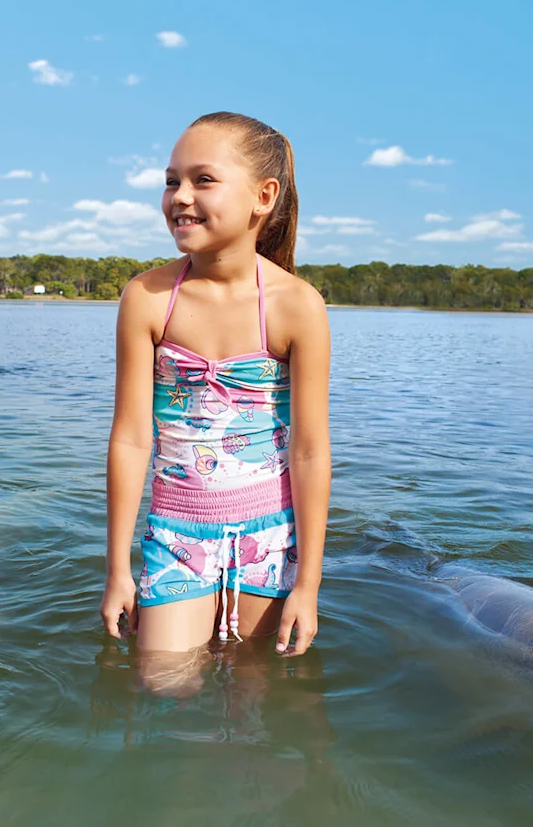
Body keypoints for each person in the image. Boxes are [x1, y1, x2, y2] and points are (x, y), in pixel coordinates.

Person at [98, 111, 332, 696]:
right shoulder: (148, 297)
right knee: (163, 686)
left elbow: (308, 451)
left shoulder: (297, 306)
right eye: (171, 180)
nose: (180, 197)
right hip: (176, 530)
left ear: (263, 197)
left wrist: (309, 583)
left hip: (271, 536)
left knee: (257, 695)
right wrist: (117, 570)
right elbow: (130, 438)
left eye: (203, 180)